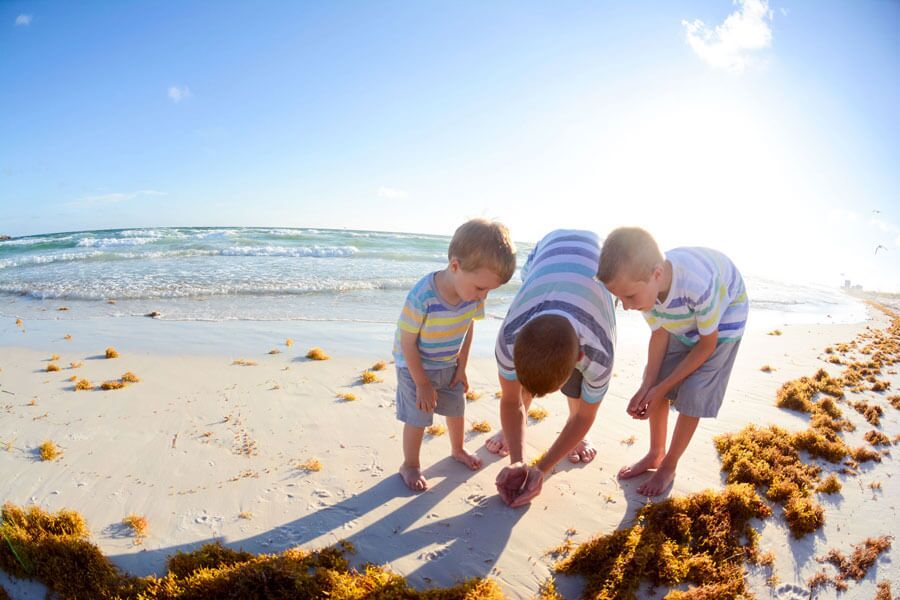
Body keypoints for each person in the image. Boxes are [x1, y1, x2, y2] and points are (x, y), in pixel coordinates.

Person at [597, 227, 747, 496]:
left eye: (629, 297)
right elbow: (659, 334)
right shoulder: (647, 293)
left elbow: (706, 345)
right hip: (685, 315)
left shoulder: (697, 285)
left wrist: (663, 387)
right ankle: (656, 452)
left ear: (657, 274)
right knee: (659, 375)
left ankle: (669, 464)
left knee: (694, 391)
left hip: (724, 319)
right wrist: (648, 385)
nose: (627, 306)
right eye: (619, 299)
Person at [492, 229, 616, 507]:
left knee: (577, 400)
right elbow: (511, 399)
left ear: (580, 358)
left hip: (599, 258)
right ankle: (514, 434)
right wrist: (518, 461)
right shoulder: (508, 336)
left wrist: (542, 469)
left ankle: (574, 439)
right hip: (545, 253)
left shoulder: (600, 352)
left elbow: (585, 416)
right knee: (520, 394)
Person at [393, 219, 517, 492]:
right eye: (481, 288)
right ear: (455, 267)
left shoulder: (472, 296)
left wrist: (462, 365)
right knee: (418, 417)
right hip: (415, 365)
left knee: (456, 408)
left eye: (489, 291)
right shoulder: (422, 296)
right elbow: (407, 341)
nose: (483, 296)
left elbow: (469, 326)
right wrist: (422, 383)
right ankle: (410, 464)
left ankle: (457, 449)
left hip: (449, 362)